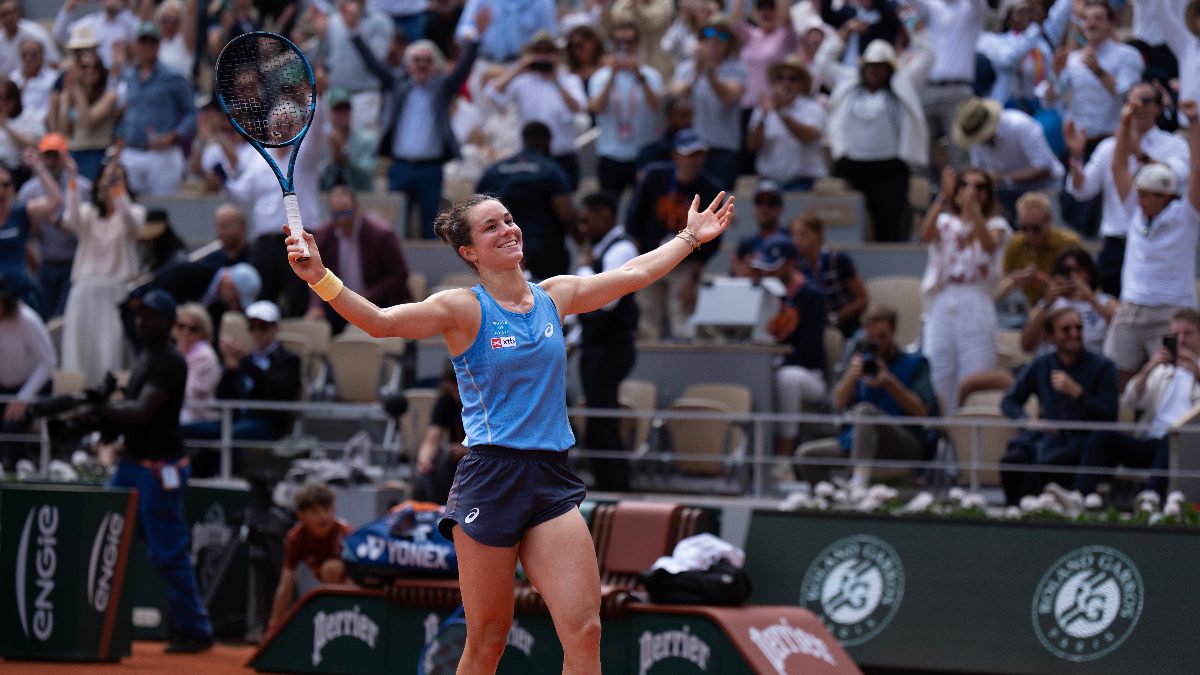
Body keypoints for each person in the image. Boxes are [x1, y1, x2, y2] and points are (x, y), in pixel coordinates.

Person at [284, 182, 734, 673]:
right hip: (491, 478)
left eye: (509, 219)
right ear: (468, 251)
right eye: (490, 227)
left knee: (585, 628)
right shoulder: (461, 308)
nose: (507, 230)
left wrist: (689, 238)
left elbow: (632, 273)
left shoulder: (555, 296)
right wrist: (320, 277)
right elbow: (379, 322)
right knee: (488, 641)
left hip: (550, 478)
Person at [92, 289, 214, 653]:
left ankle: (195, 629)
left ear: (168, 322)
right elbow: (130, 414)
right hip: (130, 465)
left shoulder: (171, 362)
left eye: (150, 315)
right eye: (139, 315)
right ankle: (96, 620)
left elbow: (142, 411)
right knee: (105, 541)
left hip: (159, 470)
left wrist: (102, 409)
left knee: (168, 552)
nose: (142, 321)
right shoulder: (145, 358)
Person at [1103, 99, 1200, 388]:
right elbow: (1118, 166)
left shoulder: (1187, 215)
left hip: (1170, 309)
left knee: (1169, 380)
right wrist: (1123, 122)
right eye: (1140, 193)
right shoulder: (1135, 210)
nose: (1139, 198)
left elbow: (1198, 169)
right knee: (1116, 376)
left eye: (1147, 194)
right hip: (1132, 305)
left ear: (1164, 195)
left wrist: (1194, 123)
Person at [1064, 82, 1190, 298]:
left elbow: (1174, 179)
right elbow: (1083, 190)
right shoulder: (1108, 147)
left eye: (1145, 101)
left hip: (1157, 240)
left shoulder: (1174, 144)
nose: (1138, 107)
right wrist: (1076, 158)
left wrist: (1139, 154)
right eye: (1132, 102)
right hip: (1116, 242)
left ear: (1158, 108)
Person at [794, 305, 936, 486]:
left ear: (893, 331)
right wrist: (850, 378)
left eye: (882, 337)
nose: (877, 343)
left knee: (865, 412)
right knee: (806, 455)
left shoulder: (916, 363)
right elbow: (838, 404)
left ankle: (857, 480)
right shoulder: (859, 363)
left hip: (903, 441)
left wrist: (890, 383)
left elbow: (922, 411)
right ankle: (835, 498)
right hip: (858, 441)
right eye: (871, 338)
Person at [381, 10, 486, 239]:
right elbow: (374, 66)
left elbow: (463, 69)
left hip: (430, 169)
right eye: (417, 60)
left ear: (435, 64)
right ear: (408, 64)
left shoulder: (442, 89)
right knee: (395, 229)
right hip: (400, 167)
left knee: (433, 227)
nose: (422, 65)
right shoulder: (398, 86)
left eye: (427, 60)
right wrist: (354, 34)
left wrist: (476, 39)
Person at [1000, 306, 1118, 505]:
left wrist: (1079, 394)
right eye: (1066, 329)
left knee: (1044, 467)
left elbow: (1109, 415)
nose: (1074, 334)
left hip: (1083, 442)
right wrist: (1027, 421)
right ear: (1051, 336)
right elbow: (1009, 401)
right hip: (1045, 438)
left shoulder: (1102, 366)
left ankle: (1033, 515)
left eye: (1079, 328)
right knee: (1011, 462)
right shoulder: (1042, 364)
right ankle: (1014, 515)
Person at [1077, 308, 1200, 497]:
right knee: (1102, 436)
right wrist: (1148, 369)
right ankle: (1080, 495)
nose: (1181, 340)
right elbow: (1130, 400)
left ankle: (1150, 497)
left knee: (1171, 438)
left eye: (1188, 334)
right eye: (1176, 334)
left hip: (1188, 447)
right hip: (1152, 441)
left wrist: (1197, 372)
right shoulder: (1162, 370)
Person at [920, 166, 1010, 411]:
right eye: (966, 185)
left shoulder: (996, 224)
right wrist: (943, 197)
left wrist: (974, 213)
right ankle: (941, 438)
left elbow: (989, 245)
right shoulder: (944, 220)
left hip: (976, 298)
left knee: (975, 371)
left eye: (980, 187)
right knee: (939, 371)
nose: (972, 191)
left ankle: (969, 438)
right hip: (943, 298)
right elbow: (926, 234)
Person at [826, 39, 929, 242]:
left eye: (880, 66)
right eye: (870, 66)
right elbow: (824, 62)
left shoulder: (903, 86)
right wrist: (844, 34)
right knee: (846, 225)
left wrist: (912, 24)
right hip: (850, 167)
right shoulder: (847, 85)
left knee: (889, 226)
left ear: (889, 69)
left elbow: (927, 56)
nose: (874, 71)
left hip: (889, 170)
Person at [183, 300, 301, 475]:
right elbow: (222, 399)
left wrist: (244, 361)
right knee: (185, 431)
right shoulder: (247, 360)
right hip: (235, 421)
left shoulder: (288, 360)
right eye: (252, 327)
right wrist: (230, 371)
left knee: (233, 434)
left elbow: (276, 392)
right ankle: (193, 478)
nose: (257, 333)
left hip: (267, 424)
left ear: (275, 328)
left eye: (263, 327)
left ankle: (230, 480)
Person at [625, 128, 723, 338]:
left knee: (683, 323)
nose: (694, 161)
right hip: (652, 258)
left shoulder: (711, 189)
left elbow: (713, 242)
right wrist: (638, 260)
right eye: (689, 154)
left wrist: (694, 278)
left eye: (699, 154)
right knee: (645, 322)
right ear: (676, 155)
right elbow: (635, 218)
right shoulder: (654, 177)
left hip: (685, 264)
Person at [573, 191, 640, 492]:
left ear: (605, 215)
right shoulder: (603, 250)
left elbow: (606, 300)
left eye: (587, 220)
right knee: (599, 423)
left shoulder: (620, 248)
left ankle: (616, 491)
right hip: (596, 347)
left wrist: (584, 267)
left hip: (610, 349)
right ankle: (611, 487)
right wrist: (575, 339)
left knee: (602, 425)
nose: (583, 227)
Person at [61, 157, 143, 387]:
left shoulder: (135, 212)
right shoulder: (88, 213)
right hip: (84, 289)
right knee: (80, 350)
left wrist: (117, 190)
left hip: (115, 291)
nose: (110, 183)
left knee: (110, 350)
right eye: (106, 178)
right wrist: (72, 178)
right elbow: (71, 218)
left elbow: (130, 221)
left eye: (117, 179)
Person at [750, 233, 827, 457]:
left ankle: (784, 451)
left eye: (774, 266)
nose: (768, 272)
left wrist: (777, 361)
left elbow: (809, 349)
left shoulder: (813, 297)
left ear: (791, 264)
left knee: (787, 378)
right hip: (768, 364)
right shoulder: (761, 292)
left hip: (808, 373)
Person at [475, 121, 577, 281]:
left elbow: (476, 210)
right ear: (547, 141)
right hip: (546, 249)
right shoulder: (552, 170)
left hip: (504, 247)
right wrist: (581, 240)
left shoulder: (494, 171)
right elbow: (566, 214)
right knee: (551, 298)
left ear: (523, 139)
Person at [485, 31, 586, 189]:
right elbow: (492, 93)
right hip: (530, 158)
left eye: (548, 51)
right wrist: (520, 66)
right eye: (539, 51)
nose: (543, 55)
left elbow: (578, 108)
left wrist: (556, 81)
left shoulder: (570, 80)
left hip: (562, 156)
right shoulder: (522, 82)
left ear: (557, 55)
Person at [305, 186, 413, 333]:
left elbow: (400, 274)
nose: (342, 220)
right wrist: (316, 306)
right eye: (336, 215)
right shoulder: (323, 236)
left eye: (346, 213)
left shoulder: (381, 234)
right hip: (337, 306)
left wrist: (368, 294)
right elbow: (316, 275)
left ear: (357, 210)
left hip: (378, 305)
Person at [116, 21, 196, 196]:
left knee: (161, 209)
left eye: (152, 42)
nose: (147, 47)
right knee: (129, 209)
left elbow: (192, 114)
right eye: (143, 42)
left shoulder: (174, 76)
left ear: (158, 45)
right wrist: (119, 137)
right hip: (131, 150)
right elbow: (124, 111)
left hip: (162, 154)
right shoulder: (128, 76)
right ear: (136, 45)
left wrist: (174, 136)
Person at [951, 97, 1064, 219]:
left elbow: (1044, 167)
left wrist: (1004, 178)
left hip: (1044, 189)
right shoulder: (976, 142)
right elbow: (980, 171)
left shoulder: (1020, 125)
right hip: (1005, 195)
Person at [670, 15, 747, 190]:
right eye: (710, 33)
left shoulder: (738, 69)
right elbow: (676, 98)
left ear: (729, 43)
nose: (715, 40)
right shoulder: (686, 68)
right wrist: (696, 74)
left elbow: (729, 97)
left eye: (722, 36)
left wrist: (710, 73)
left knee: (720, 205)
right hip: (690, 148)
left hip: (723, 149)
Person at [588, 22, 664, 197]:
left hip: (643, 153)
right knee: (608, 209)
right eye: (619, 41)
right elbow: (596, 108)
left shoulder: (650, 75)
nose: (625, 46)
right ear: (612, 44)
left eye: (629, 41)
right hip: (610, 154)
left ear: (637, 44)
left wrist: (639, 76)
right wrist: (612, 75)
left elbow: (656, 106)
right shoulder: (600, 77)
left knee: (645, 209)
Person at [20, 133, 90, 320]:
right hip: (45, 263)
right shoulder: (29, 190)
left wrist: (56, 222)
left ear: (65, 157)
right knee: (44, 316)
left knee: (66, 317)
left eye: (56, 155)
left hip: (73, 263)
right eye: (47, 156)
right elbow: (26, 235)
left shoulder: (81, 187)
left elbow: (86, 230)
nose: (52, 161)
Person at [267, 482, 351, 636]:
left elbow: (357, 578)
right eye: (314, 511)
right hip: (332, 594)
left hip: (358, 594)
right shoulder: (295, 538)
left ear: (334, 508)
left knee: (330, 569)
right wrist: (274, 625)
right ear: (301, 516)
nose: (323, 517)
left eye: (326, 509)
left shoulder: (345, 534)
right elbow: (286, 584)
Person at [312, 0, 393, 134]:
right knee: (330, 147)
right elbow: (325, 58)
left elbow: (377, 65)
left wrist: (354, 30)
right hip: (334, 96)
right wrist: (321, 38)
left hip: (363, 96)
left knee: (363, 144)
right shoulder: (333, 20)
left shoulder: (381, 21)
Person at [0, 273, 55, 470]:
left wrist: (23, 397)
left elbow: (48, 362)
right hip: (3, 388)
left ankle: (20, 472)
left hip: (32, 387)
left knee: (12, 424)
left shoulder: (27, 320)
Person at [746, 58, 826, 190]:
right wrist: (763, 118)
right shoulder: (762, 108)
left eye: (793, 78)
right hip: (769, 181)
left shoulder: (813, 108)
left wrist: (781, 111)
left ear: (803, 84)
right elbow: (752, 146)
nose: (786, 82)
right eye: (780, 77)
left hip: (804, 183)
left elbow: (808, 136)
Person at [997, 191, 1081, 308]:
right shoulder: (1017, 243)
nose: (1030, 234)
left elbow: (1082, 288)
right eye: (1024, 228)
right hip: (1036, 309)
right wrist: (1014, 280)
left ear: (1048, 220)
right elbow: (999, 291)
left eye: (1036, 228)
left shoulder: (1068, 243)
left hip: (1069, 308)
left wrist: (1044, 282)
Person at [47, 46, 118, 182]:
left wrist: (76, 88)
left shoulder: (109, 96)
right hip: (74, 152)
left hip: (97, 153)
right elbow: (63, 129)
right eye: (84, 67)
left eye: (95, 67)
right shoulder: (69, 95)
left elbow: (88, 122)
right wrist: (66, 98)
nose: (90, 71)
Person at [792, 213, 869, 338]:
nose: (797, 241)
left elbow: (862, 299)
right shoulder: (798, 266)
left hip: (847, 328)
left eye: (803, 234)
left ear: (818, 234)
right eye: (794, 235)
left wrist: (835, 318)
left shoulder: (838, 260)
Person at [413, 362, 468, 504]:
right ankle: (435, 512)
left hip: (484, 456)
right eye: (453, 387)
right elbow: (432, 438)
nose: (456, 391)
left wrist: (468, 451)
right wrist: (424, 459)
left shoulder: (485, 401)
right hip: (456, 457)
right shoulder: (446, 400)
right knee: (427, 471)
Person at [318, 88, 378, 192]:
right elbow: (314, 175)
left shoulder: (368, 139)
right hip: (325, 198)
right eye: (337, 109)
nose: (342, 113)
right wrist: (332, 160)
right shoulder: (319, 142)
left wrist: (345, 156)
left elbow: (368, 172)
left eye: (346, 109)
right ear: (329, 113)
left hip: (360, 197)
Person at [52, 0, 139, 70]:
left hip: (123, 80)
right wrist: (69, 6)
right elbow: (60, 35)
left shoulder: (132, 24)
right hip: (94, 78)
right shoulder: (92, 22)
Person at [173, 302, 220, 425]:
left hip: (199, 414)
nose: (186, 332)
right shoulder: (176, 350)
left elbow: (188, 392)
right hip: (181, 410)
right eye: (181, 326)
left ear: (203, 332)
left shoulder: (204, 355)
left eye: (193, 329)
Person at [731, 179, 784, 278]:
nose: (765, 208)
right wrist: (740, 276)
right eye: (760, 202)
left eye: (771, 203)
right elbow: (734, 278)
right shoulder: (746, 245)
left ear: (781, 208)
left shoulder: (789, 241)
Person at [11, 39, 57, 121]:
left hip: (39, 123)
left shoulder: (52, 78)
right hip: (14, 123)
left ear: (42, 56)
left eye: (33, 54)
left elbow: (49, 109)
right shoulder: (14, 77)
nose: (28, 58)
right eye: (24, 55)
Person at [199, 203, 252, 272]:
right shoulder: (212, 261)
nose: (220, 233)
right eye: (217, 228)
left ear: (242, 227)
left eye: (225, 227)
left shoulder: (256, 259)